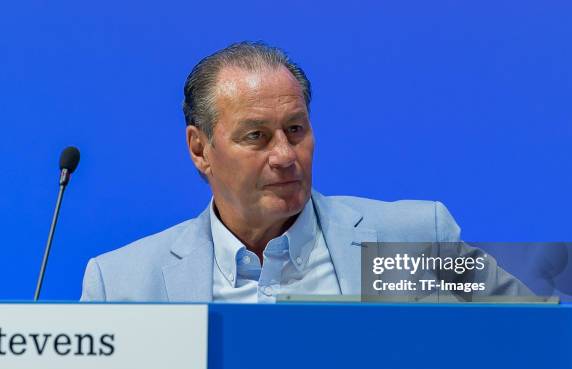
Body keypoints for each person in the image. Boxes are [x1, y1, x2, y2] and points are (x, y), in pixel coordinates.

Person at [81, 41, 531, 303]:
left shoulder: (408, 241)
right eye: (256, 136)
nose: (284, 155)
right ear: (201, 150)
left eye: (295, 129)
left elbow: (545, 335)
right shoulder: (124, 285)